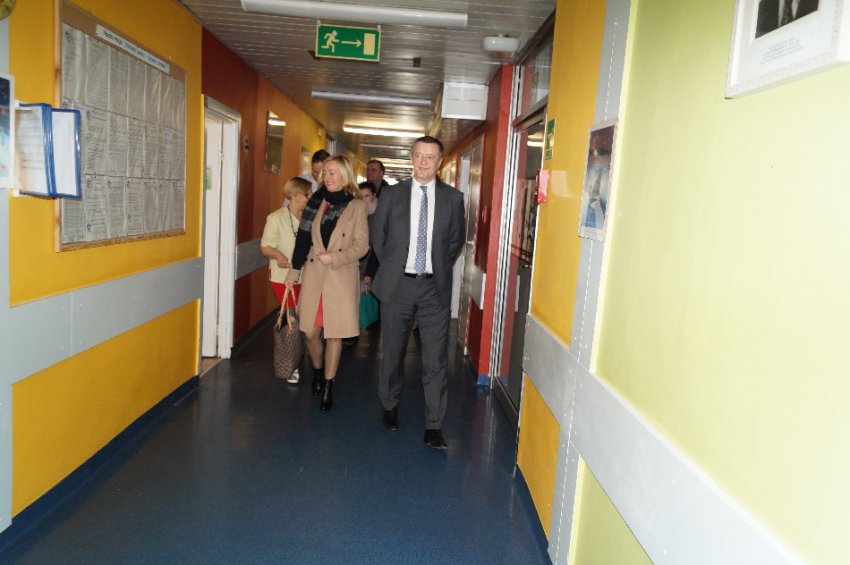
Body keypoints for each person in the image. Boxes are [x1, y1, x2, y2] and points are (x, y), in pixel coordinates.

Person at [370, 136, 465, 450]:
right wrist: (395, 267)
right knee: (393, 352)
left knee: (435, 359)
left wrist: (434, 266)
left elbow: (455, 241)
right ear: (412, 158)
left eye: (430, 157)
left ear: (440, 162)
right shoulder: (392, 195)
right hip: (398, 284)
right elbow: (378, 237)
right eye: (418, 156)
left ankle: (434, 425)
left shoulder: (453, 199)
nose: (423, 162)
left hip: (433, 288)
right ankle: (390, 404)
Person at [285, 155, 369, 412]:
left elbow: (362, 246)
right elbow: (302, 240)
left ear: (345, 174)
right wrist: (293, 272)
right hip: (313, 275)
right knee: (310, 332)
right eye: (325, 173)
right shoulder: (315, 201)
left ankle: (329, 385)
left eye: (333, 172)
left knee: (334, 334)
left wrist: (336, 257)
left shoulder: (357, 206)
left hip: (340, 277)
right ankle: (318, 371)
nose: (328, 177)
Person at [260, 176, 312, 383]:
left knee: (304, 317)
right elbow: (265, 246)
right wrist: (278, 255)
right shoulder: (276, 218)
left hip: (308, 276)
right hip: (283, 278)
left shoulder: (311, 217)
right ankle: (291, 363)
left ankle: (300, 352)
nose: (310, 197)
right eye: (306, 194)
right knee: (291, 316)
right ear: (294, 195)